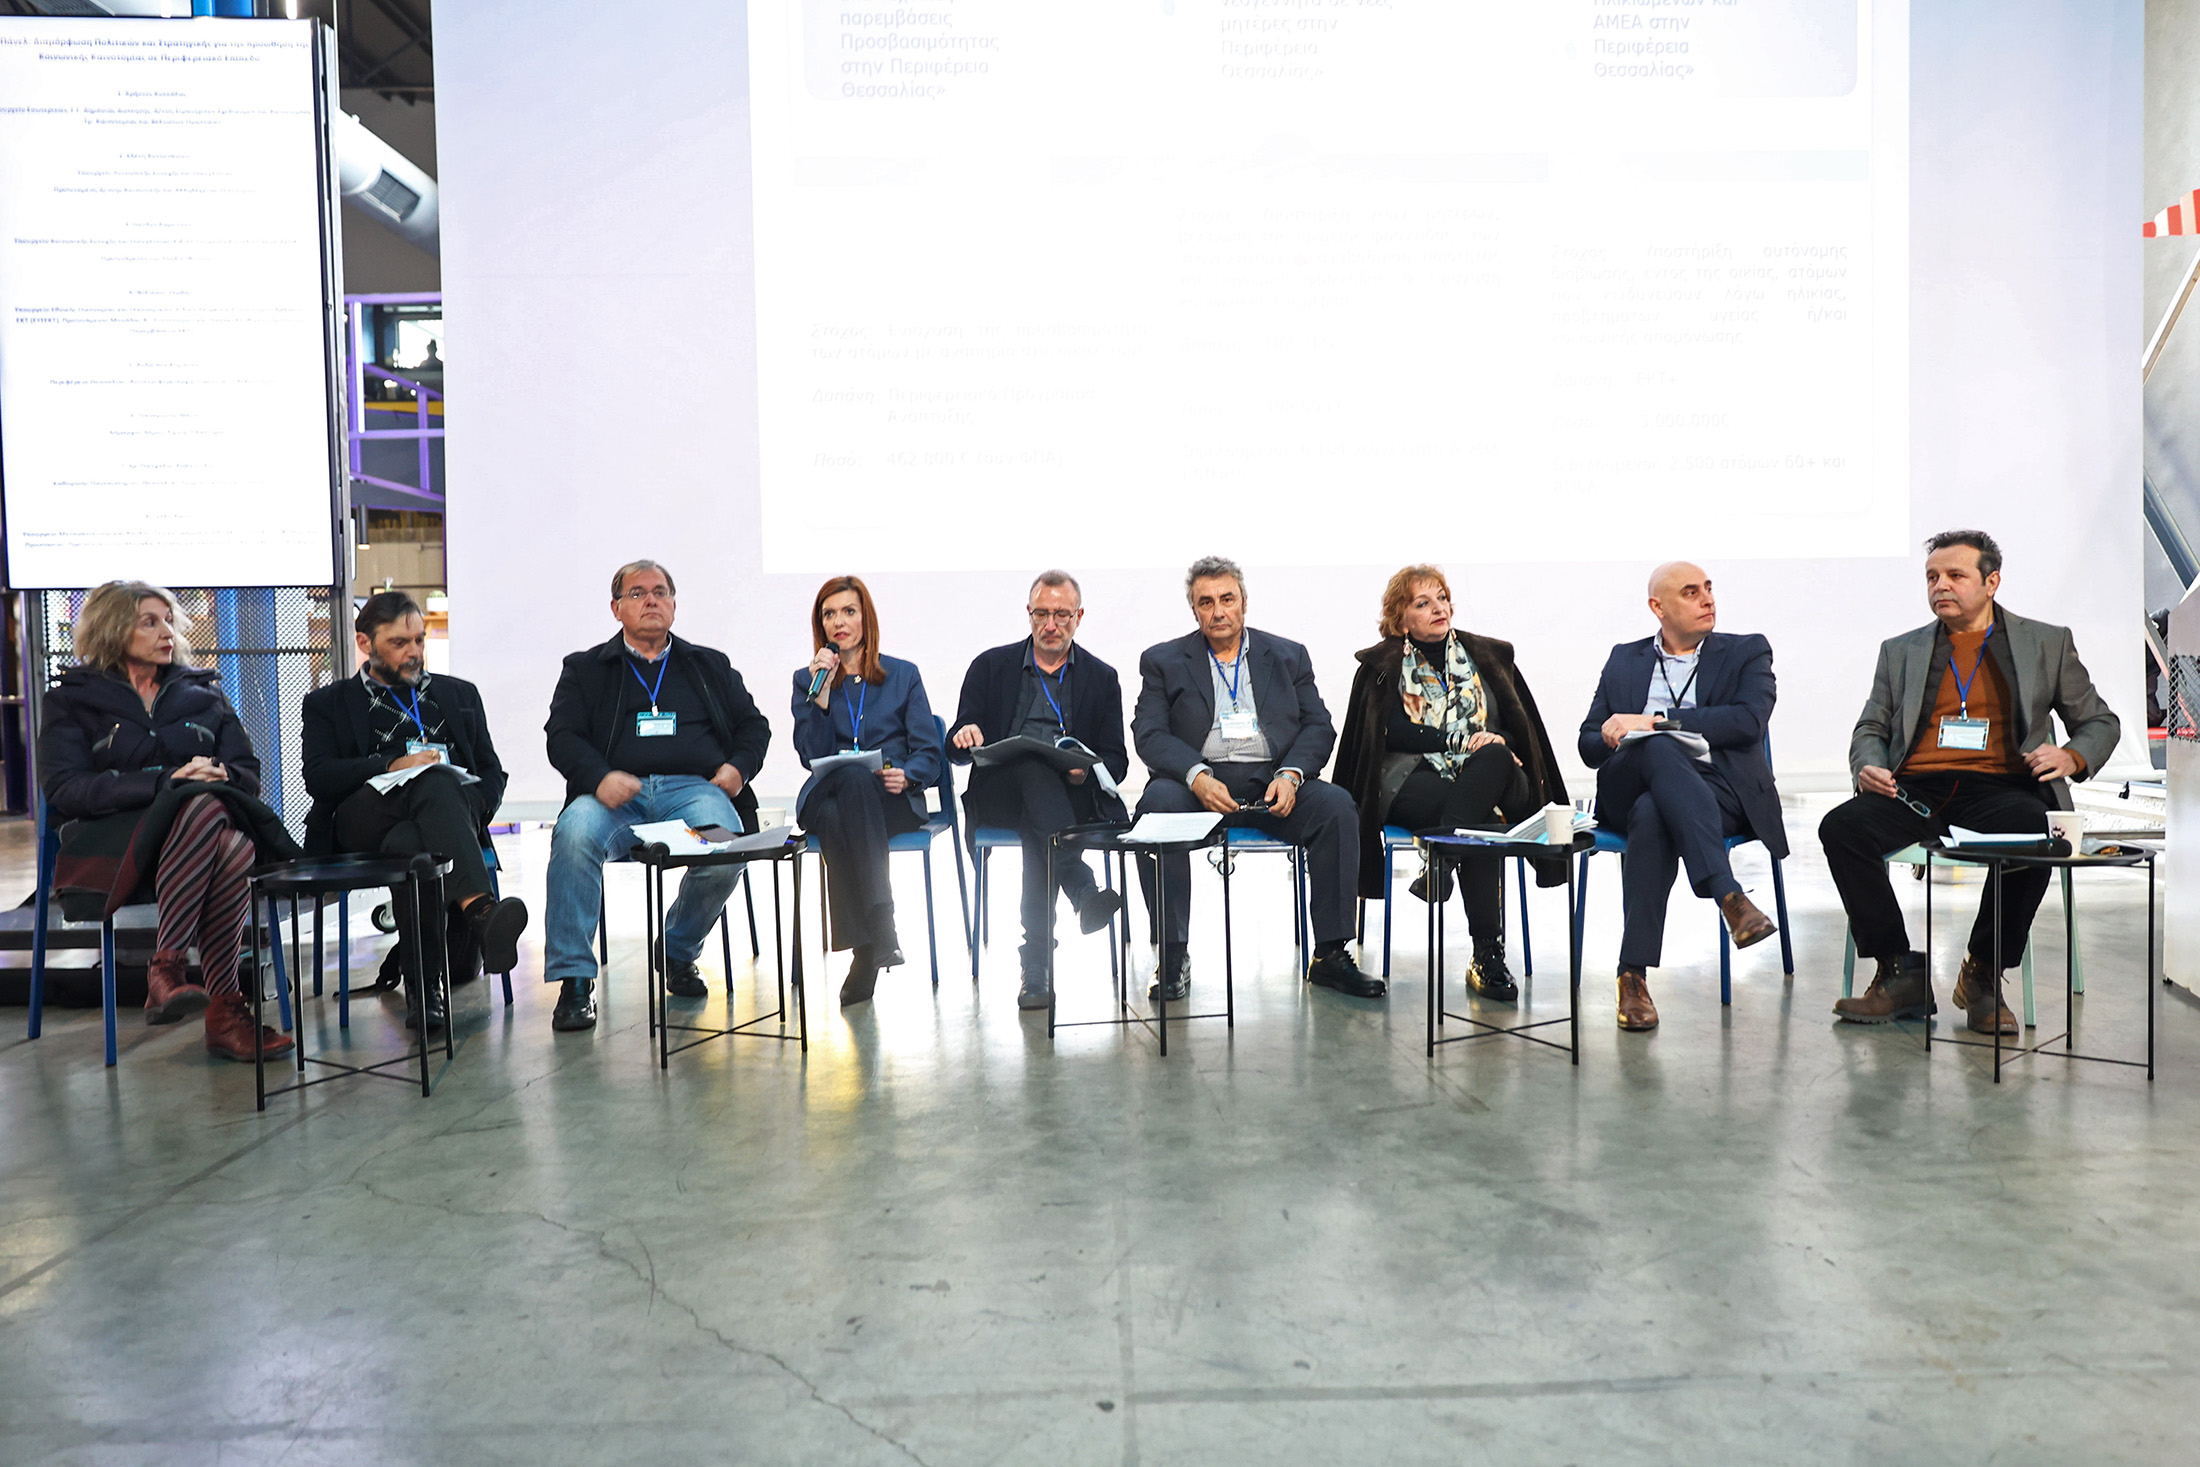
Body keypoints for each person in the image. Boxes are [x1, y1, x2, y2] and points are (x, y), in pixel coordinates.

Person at [1822, 530, 2121, 1033]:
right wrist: (1868, 765)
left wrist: (2072, 756)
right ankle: (1899, 971)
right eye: (1932, 577)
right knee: (1841, 828)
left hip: (2001, 788)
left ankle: (1982, 973)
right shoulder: (1900, 650)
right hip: (1914, 790)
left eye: (1955, 575)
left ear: (1991, 582)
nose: (1940, 585)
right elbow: (1871, 727)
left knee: (2037, 833)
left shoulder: (2045, 642)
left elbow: (2100, 722)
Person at [36, 581, 299, 1061]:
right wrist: (165, 782)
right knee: (220, 828)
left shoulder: (204, 694)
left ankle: (168, 969)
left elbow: (247, 773)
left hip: (197, 841)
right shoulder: (71, 700)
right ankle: (223, 1011)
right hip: (114, 842)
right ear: (113, 629)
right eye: (150, 622)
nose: (167, 633)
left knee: (225, 833)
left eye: (169, 621)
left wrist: (217, 774)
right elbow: (66, 789)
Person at [1131, 556, 1382, 1002]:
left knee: (1336, 808)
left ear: (1244, 603)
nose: (1218, 611)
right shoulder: (1162, 661)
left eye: (1227, 599)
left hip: (1271, 782)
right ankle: (1172, 954)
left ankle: (1330, 954)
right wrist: (1196, 776)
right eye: (1206, 602)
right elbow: (1149, 733)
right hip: (1197, 786)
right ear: (1194, 610)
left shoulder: (1287, 656)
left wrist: (1291, 775)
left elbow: (1318, 725)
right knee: (1156, 809)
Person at [541, 560, 772, 1033]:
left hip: (692, 791)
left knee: (726, 850)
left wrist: (738, 768)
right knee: (573, 835)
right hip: (613, 795)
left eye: (660, 592)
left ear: (673, 604)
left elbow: (754, 726)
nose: (651, 600)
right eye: (638, 593)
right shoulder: (585, 668)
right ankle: (575, 980)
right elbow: (561, 736)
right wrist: (598, 776)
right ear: (616, 608)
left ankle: (677, 950)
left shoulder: (707, 664)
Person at [1334, 565, 1568, 1002]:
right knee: (1479, 824)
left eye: (1441, 598)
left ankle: (1441, 861)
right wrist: (1455, 740)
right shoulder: (1383, 666)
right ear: (1401, 619)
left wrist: (1496, 739)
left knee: (1493, 757)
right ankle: (1487, 954)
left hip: (1495, 773)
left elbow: (1519, 728)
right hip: (1414, 776)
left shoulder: (1489, 657)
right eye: (1423, 603)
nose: (1438, 608)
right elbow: (1389, 733)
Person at [301, 590, 526, 1033]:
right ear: (365, 643)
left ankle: (425, 996)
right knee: (434, 779)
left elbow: (491, 772)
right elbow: (320, 777)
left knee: (416, 846)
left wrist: (473, 808)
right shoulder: (328, 703)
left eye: (419, 640)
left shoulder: (458, 695)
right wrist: (391, 765)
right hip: (363, 819)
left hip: (434, 823)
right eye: (399, 643)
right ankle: (480, 910)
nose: (414, 652)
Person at [1578, 561, 1785, 1031]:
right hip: (1627, 782)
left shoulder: (1747, 651)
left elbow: (1747, 722)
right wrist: (1615, 734)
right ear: (1658, 607)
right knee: (1656, 752)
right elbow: (1588, 745)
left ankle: (1632, 975)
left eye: (1708, 588)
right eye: (1691, 592)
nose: (1707, 599)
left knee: (1654, 811)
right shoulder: (1624, 658)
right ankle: (1728, 894)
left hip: (1718, 789)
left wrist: (1654, 722)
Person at [949, 570, 1129, 1010]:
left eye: (1061, 615)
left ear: (1079, 617)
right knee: (1032, 767)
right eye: (1042, 614)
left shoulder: (1101, 678)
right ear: (1028, 614)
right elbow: (955, 745)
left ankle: (1036, 967)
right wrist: (964, 734)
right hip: (1000, 792)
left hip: (1068, 796)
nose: (1051, 624)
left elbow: (1117, 761)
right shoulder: (990, 666)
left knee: (1041, 824)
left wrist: (1084, 771)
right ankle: (1082, 888)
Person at [792, 575, 946, 1008]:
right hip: (826, 792)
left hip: (888, 801)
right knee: (851, 781)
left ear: (866, 619)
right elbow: (811, 756)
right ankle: (883, 926)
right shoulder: (807, 680)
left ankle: (864, 952)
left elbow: (929, 751)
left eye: (848, 611)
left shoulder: (902, 675)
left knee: (843, 810)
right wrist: (821, 696)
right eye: (829, 614)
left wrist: (908, 775)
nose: (838, 622)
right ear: (820, 625)